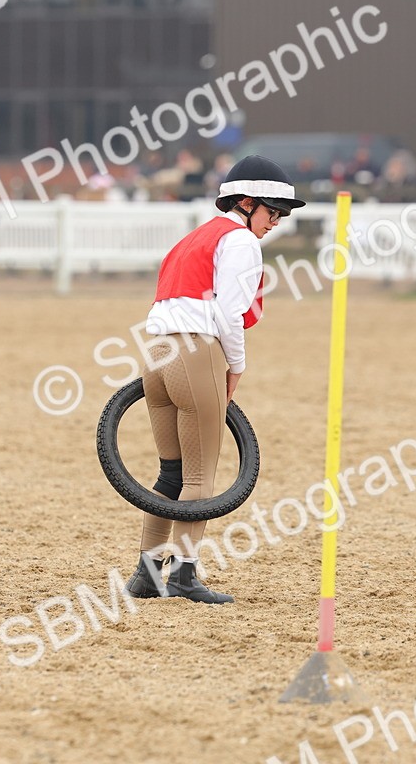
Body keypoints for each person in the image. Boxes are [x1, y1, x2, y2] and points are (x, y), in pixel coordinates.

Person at [123, 155, 305, 604]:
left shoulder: (195, 237)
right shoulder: (241, 242)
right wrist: (236, 367)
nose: (275, 223)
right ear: (246, 203)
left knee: (172, 472)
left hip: (156, 350)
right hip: (196, 350)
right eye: (271, 213)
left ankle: (146, 575)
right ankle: (184, 576)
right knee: (200, 473)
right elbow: (228, 314)